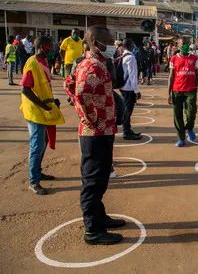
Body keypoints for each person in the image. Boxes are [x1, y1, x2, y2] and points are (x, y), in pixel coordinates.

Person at [73, 25, 124, 245]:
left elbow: (69, 83)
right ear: (96, 41)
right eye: (109, 40)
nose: (112, 44)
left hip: (103, 130)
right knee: (93, 181)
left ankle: (100, 217)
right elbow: (80, 94)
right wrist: (92, 119)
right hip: (95, 132)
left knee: (101, 177)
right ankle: (92, 230)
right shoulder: (92, 66)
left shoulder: (97, 63)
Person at [20, 36, 65, 195]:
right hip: (34, 111)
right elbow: (26, 89)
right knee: (37, 145)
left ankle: (38, 171)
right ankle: (33, 181)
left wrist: (52, 101)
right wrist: (42, 104)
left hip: (44, 109)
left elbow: (43, 87)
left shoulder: (44, 62)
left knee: (44, 141)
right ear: (42, 47)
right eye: (49, 47)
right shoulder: (32, 63)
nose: (51, 49)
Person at [168, 43, 198, 147]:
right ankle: (181, 138)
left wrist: (196, 88)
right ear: (179, 47)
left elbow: (197, 74)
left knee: (191, 112)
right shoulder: (173, 59)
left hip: (191, 90)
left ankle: (189, 127)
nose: (185, 48)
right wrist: (169, 93)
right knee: (177, 115)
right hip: (177, 90)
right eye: (183, 45)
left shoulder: (195, 58)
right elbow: (171, 76)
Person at [120, 39, 142, 141]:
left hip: (123, 86)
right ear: (131, 45)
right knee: (128, 111)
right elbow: (133, 75)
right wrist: (136, 90)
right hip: (129, 88)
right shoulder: (131, 58)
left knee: (126, 110)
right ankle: (126, 132)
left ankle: (127, 130)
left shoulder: (122, 55)